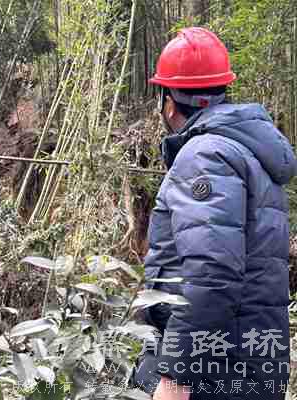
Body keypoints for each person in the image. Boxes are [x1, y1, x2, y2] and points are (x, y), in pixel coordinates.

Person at [133, 27, 297, 400]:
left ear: (168, 102)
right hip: (250, 362)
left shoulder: (205, 156)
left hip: (214, 371)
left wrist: (175, 376)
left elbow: (211, 273)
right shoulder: (248, 152)